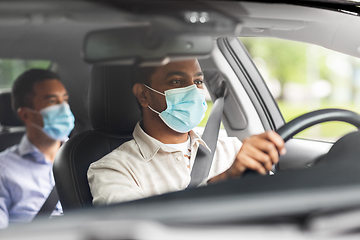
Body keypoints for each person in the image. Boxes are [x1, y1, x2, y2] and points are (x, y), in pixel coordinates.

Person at [87, 59, 286, 206]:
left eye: (198, 81)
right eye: (176, 82)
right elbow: (137, 229)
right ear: (143, 94)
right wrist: (224, 182)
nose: (193, 90)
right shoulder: (112, 170)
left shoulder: (233, 149)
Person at [0, 69, 75, 229]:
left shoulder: (85, 157)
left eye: (65, 100)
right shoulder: (3, 169)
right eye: (53, 102)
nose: (64, 109)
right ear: (26, 115)